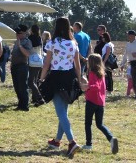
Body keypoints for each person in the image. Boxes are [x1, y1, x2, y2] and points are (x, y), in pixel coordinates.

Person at [40, 17, 85, 159]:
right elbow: (77, 65)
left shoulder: (52, 43)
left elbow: (47, 63)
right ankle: (57, 141)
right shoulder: (73, 43)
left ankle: (72, 142)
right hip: (70, 77)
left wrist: (41, 78)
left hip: (56, 77)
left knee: (61, 113)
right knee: (64, 111)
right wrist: (79, 79)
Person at [82, 53, 119, 154]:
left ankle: (88, 144)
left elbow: (95, 86)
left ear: (91, 63)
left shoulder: (92, 73)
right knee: (99, 124)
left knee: (88, 123)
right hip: (100, 103)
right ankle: (111, 138)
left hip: (91, 101)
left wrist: (87, 86)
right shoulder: (102, 74)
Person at [10, 24, 32, 111]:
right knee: (16, 86)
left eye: (18, 33)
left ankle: (25, 105)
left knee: (22, 86)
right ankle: (20, 104)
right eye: (16, 33)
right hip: (14, 66)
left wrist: (20, 46)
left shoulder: (27, 42)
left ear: (24, 33)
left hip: (22, 66)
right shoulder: (17, 41)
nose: (17, 35)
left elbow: (27, 54)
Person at [28, 24, 45, 106]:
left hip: (32, 61)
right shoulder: (40, 39)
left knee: (30, 81)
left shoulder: (30, 38)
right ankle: (35, 99)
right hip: (39, 61)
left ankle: (39, 97)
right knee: (35, 81)